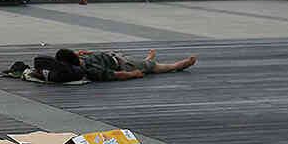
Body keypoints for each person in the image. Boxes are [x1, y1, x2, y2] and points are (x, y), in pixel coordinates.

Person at [55, 48, 196, 81]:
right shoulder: (90, 69)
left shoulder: (83, 60)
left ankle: (148, 60)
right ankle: (179, 65)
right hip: (125, 65)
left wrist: (88, 53)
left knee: (144, 63)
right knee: (155, 67)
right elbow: (113, 74)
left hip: (116, 57)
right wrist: (133, 74)